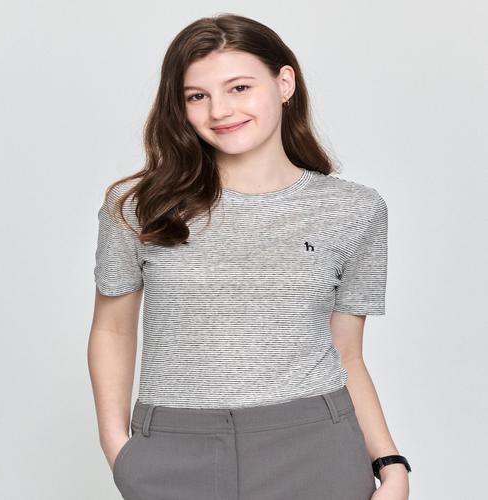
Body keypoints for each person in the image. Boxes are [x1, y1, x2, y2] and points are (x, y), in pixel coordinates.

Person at [88, 13, 411, 500]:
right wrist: (119, 450)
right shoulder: (138, 207)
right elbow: (112, 330)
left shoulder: (354, 210)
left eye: (239, 87)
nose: (220, 110)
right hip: (175, 451)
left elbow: (347, 353)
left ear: (284, 83)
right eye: (196, 96)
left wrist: (389, 463)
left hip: (316, 447)